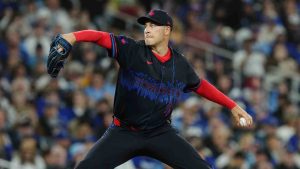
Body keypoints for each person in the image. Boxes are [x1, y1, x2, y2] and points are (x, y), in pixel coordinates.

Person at [51, 9, 253, 169]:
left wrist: (232, 105)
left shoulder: (180, 63)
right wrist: (72, 37)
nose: (147, 29)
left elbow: (200, 86)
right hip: (123, 132)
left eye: (153, 25)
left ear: (167, 30)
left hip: (160, 133)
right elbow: (100, 37)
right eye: (145, 25)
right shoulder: (132, 49)